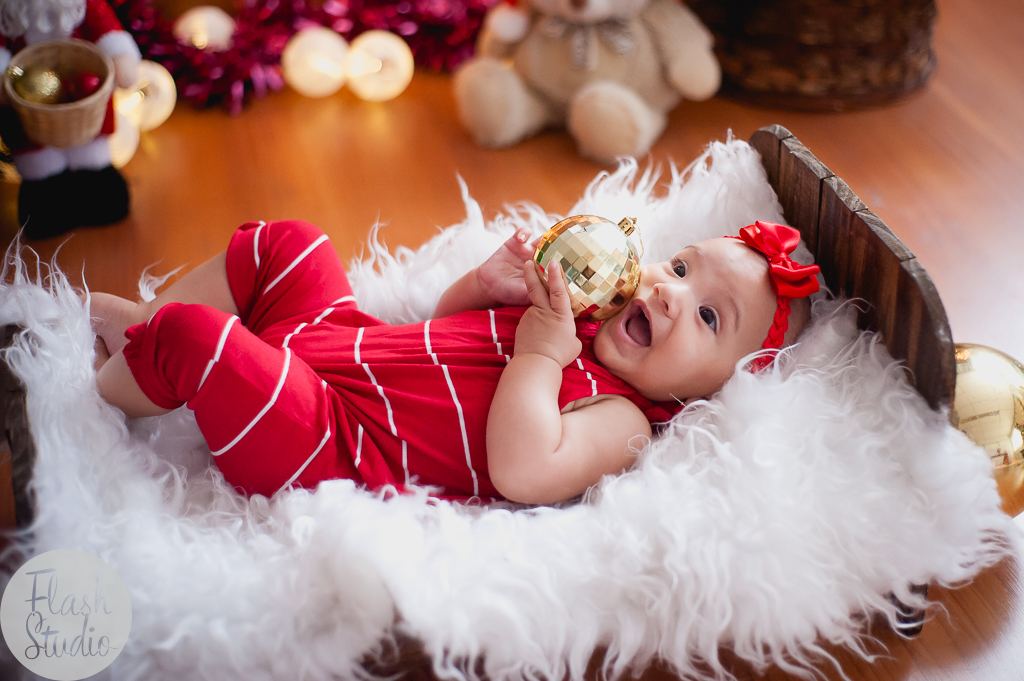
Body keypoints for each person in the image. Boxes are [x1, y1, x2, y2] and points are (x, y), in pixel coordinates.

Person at [88, 219, 819, 505]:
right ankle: (148, 335)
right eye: (683, 268)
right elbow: (440, 336)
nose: (669, 294)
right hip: (346, 344)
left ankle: (96, 387)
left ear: (718, 386)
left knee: (200, 339)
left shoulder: (623, 416)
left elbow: (522, 469)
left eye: (709, 318)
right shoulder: (576, 315)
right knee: (289, 242)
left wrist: (538, 351)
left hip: (336, 439)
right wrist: (482, 288)